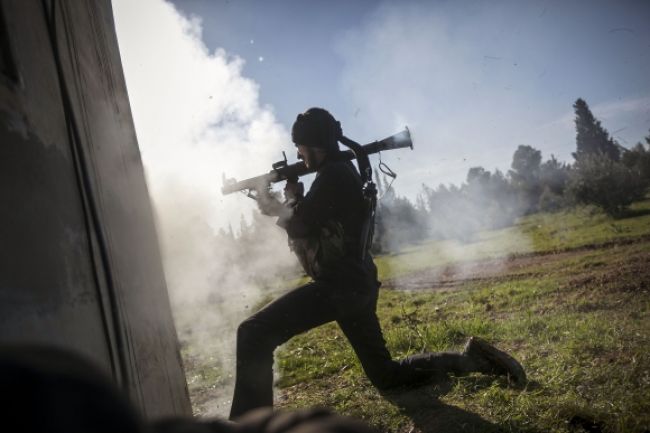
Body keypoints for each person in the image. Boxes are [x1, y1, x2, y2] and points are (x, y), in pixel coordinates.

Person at [229, 108, 525, 420]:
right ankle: (470, 360)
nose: (299, 154)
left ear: (315, 145)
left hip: (340, 287)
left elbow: (300, 224)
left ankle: (249, 425)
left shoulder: (333, 175)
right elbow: (313, 221)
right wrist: (292, 199)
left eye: (301, 147)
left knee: (253, 333)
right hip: (355, 283)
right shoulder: (338, 172)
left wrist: (278, 202)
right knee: (387, 376)